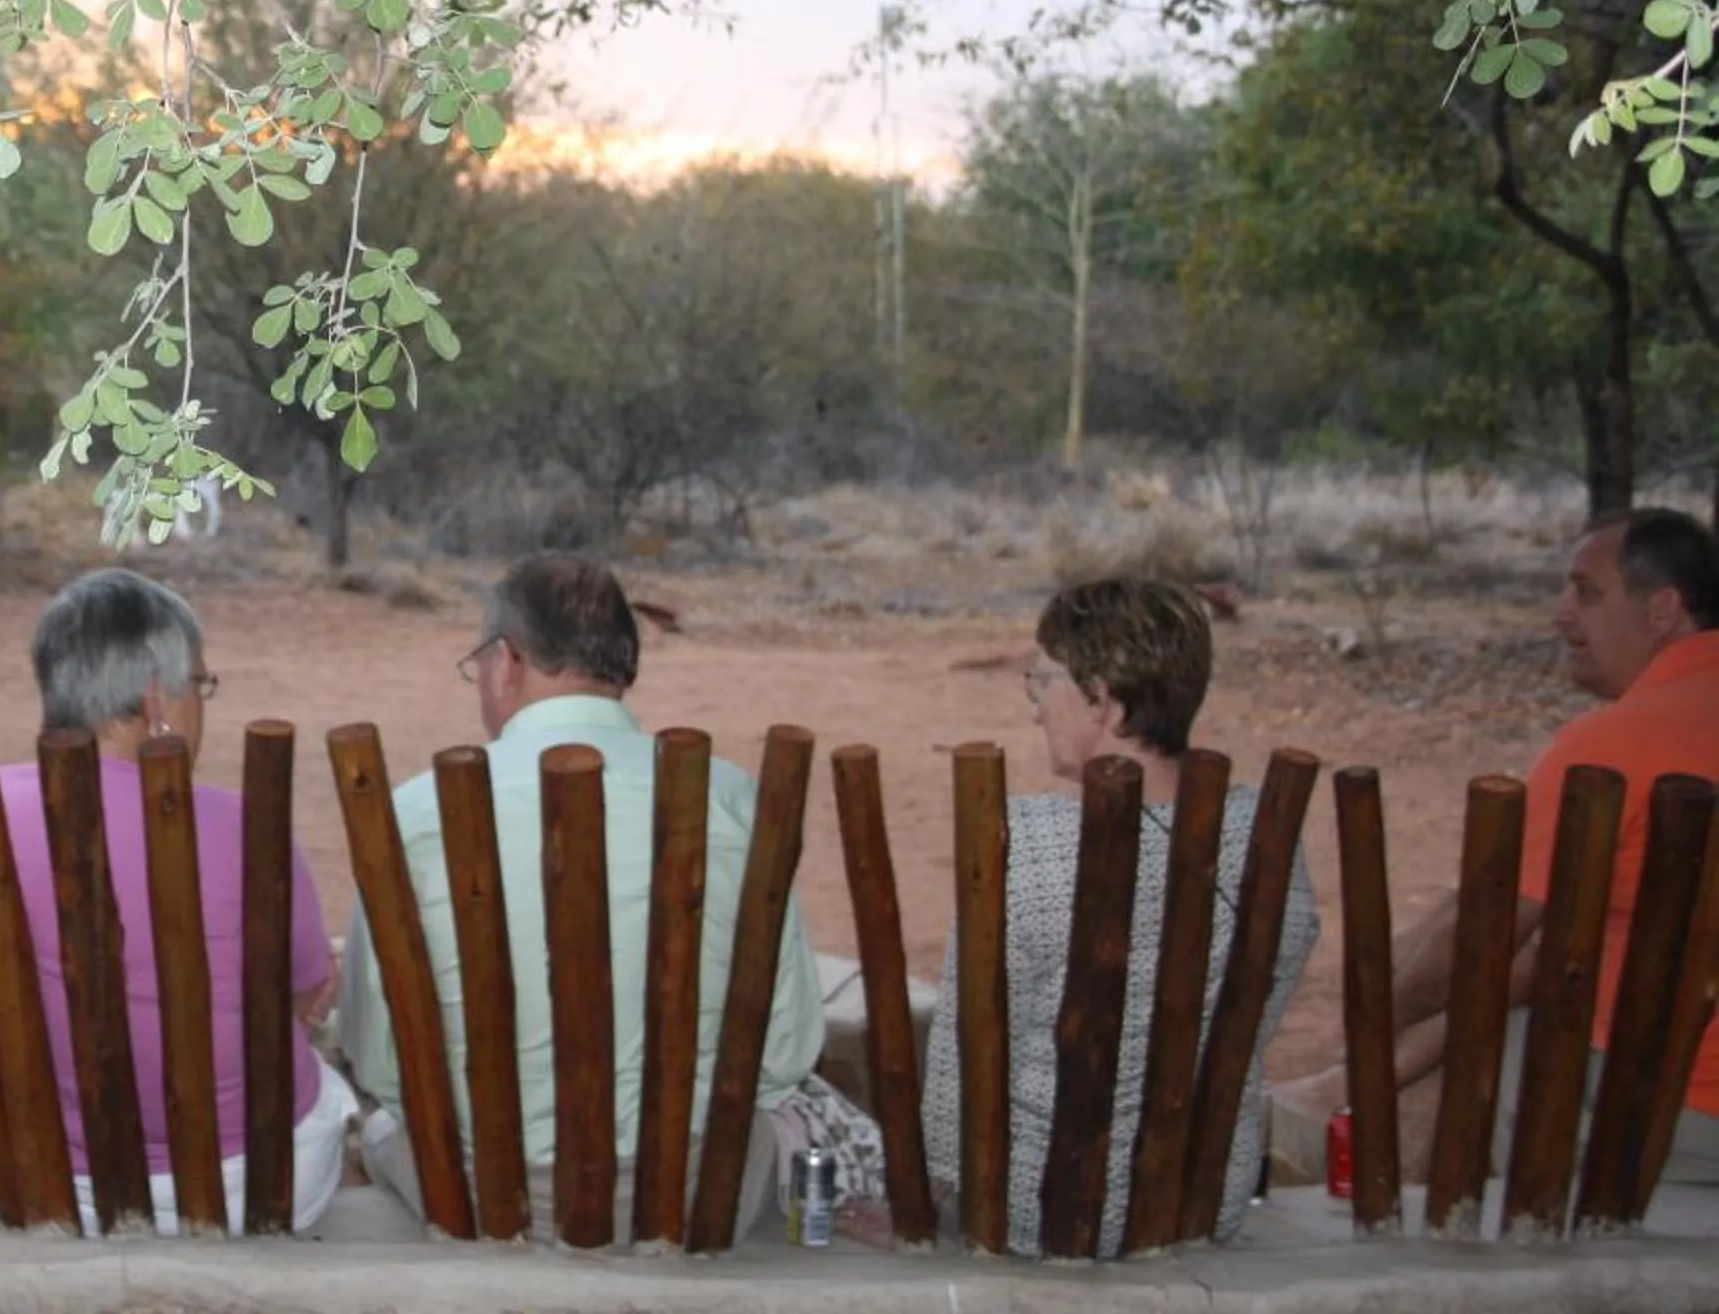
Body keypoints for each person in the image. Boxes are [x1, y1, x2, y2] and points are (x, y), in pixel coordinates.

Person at [334, 552, 830, 1242]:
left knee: (375, 1122)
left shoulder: (416, 816)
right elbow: (785, 1053)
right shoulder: (731, 801)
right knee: (791, 1120)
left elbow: (380, 1059)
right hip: (693, 1192)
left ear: (507, 661)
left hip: (476, 1193)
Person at [1273, 508, 1719, 1186]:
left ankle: (1321, 1138)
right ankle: (1323, 1102)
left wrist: (1383, 1020)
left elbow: (1478, 940)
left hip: (1673, 1108)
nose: (1562, 616)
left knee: (1490, 1049)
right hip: (1669, 1067)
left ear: (1662, 609)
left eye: (1587, 593)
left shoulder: (1618, 745)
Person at [916, 579, 1319, 1258]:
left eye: (1042, 681)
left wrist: (925, 1200)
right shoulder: (1267, 836)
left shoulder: (1025, 847)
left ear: (1101, 697)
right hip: (1201, 1198)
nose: (1034, 706)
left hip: (1034, 1207)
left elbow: (964, 1070)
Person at [0, 568, 348, 1233]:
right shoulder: (242, 826)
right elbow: (304, 997)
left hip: (46, 1181)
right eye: (202, 685)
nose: (203, 707)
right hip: (256, 1185)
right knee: (334, 1094)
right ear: (158, 698)